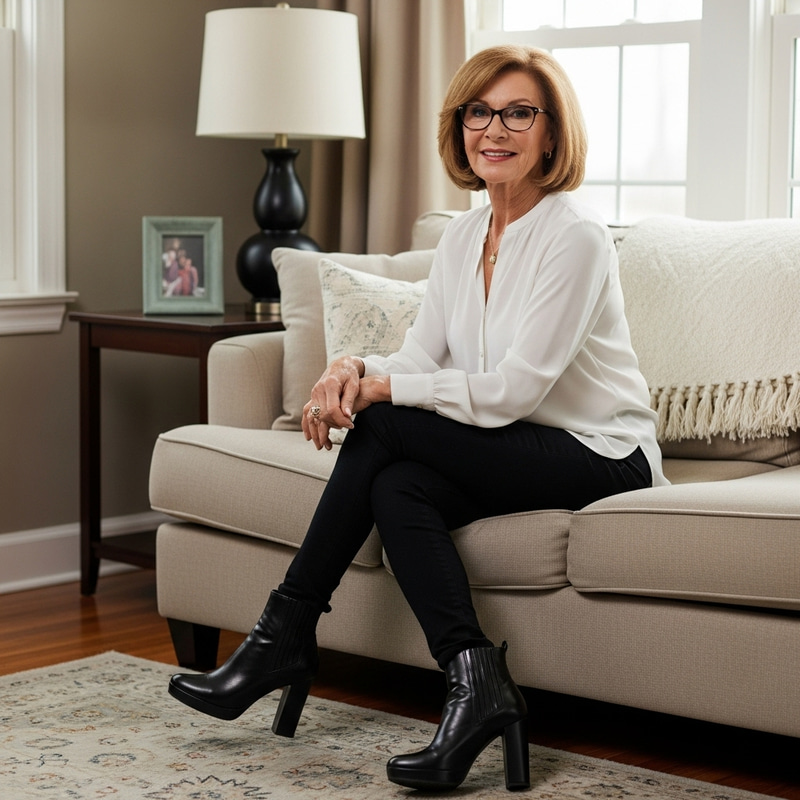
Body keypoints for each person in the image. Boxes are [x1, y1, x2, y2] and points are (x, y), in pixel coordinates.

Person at [168, 44, 667, 792]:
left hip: (602, 450)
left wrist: (380, 395)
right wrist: (356, 369)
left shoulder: (575, 238)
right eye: (478, 111)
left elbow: (514, 393)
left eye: (518, 112)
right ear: (460, 125)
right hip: (520, 444)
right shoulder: (465, 234)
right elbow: (421, 353)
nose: (494, 128)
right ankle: (476, 683)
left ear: (553, 135)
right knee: (397, 484)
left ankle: (283, 633)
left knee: (386, 427)